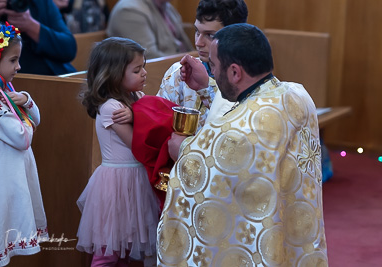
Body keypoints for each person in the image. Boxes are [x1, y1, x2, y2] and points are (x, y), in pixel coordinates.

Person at [157, 23, 329, 266]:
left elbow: (201, 169)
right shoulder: (297, 95)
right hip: (291, 223)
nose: (213, 73)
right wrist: (209, 85)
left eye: (214, 67)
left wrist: (182, 149)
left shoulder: (234, 131)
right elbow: (249, 99)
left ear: (235, 72)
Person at [76, 37, 159, 267]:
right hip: (116, 185)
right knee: (107, 253)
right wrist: (141, 117)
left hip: (135, 182)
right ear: (114, 74)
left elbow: (152, 123)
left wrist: (138, 115)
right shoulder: (111, 107)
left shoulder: (137, 98)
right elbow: (138, 143)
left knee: (124, 251)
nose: (143, 73)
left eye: (144, 67)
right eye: (136, 69)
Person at [0, 21, 48, 266]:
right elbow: (23, 137)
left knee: (5, 233)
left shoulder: (5, 91)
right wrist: (26, 118)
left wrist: (26, 100)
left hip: (12, 178)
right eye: (13, 60)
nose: (19, 67)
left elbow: (36, 117)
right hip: (0, 181)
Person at [156, 0, 248, 129]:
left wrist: (206, 88)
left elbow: (239, 132)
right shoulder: (179, 71)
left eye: (210, 35)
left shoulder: (250, 80)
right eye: (197, 32)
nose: (198, 42)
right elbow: (158, 123)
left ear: (235, 37)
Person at [0, 0, 77, 75]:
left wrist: (31, 26)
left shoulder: (41, 2)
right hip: (4, 83)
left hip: (54, 78)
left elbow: (69, 49)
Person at [106, 0, 194, 59]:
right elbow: (148, 56)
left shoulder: (165, 5)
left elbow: (185, 45)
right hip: (157, 76)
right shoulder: (129, 10)